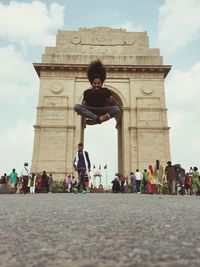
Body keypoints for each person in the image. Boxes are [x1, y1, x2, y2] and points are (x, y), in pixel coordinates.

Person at [74, 60, 120, 125]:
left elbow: (114, 104)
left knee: (117, 109)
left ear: (101, 84)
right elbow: (84, 105)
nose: (96, 85)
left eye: (98, 83)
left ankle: (97, 120)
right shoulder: (87, 92)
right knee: (76, 107)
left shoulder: (106, 91)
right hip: (92, 111)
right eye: (94, 83)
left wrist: (113, 101)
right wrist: (81, 111)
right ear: (91, 83)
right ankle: (97, 119)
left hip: (102, 110)